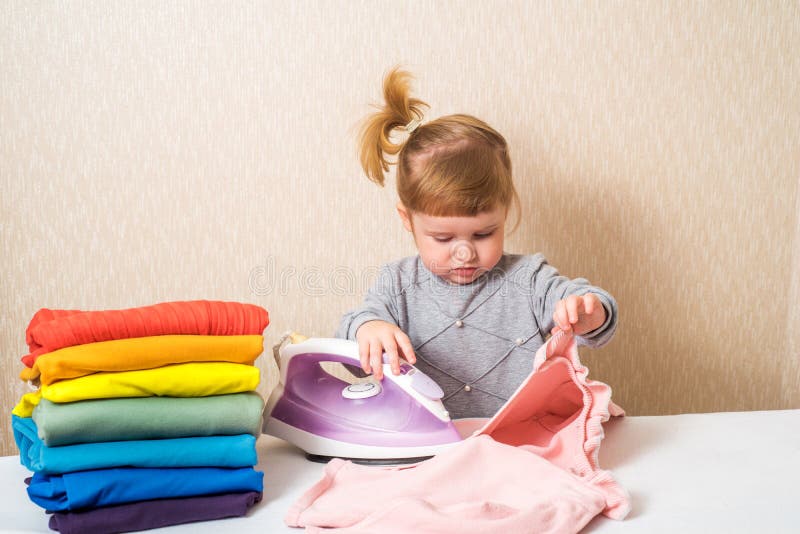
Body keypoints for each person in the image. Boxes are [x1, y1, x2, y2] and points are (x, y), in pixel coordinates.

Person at [335, 67, 617, 419]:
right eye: (443, 237)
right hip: (429, 450)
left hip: (517, 443)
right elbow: (353, 337)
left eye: (483, 234)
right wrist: (368, 329)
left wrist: (589, 311)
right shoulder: (397, 284)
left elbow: (588, 304)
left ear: (504, 213)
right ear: (408, 220)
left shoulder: (528, 280)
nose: (465, 252)